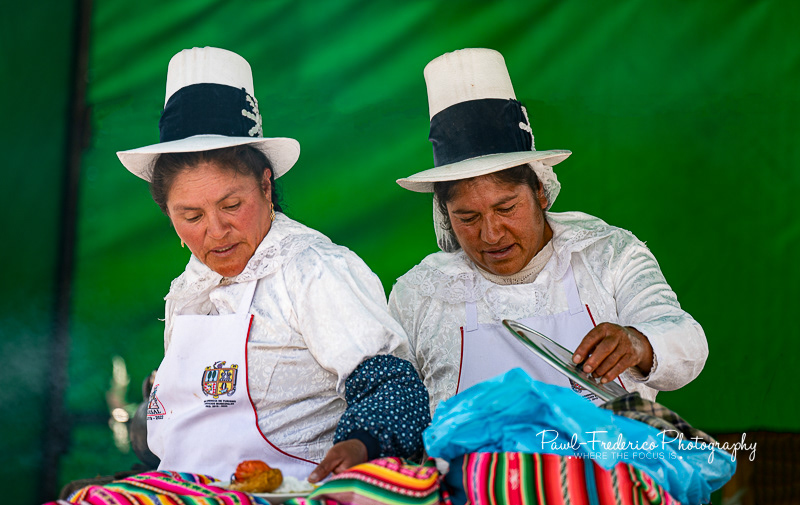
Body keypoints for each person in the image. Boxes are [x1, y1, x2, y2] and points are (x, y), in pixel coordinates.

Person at [116, 47, 429, 483]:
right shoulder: (189, 291)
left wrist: (361, 443)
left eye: (231, 204)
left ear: (266, 186)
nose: (216, 230)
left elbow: (391, 384)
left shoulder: (314, 270)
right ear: (168, 215)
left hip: (290, 489)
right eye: (191, 216)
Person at [389, 48, 707, 414]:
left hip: (603, 467)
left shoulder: (609, 255)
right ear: (445, 214)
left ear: (540, 190)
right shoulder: (419, 294)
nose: (491, 234)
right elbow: (393, 401)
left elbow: (687, 341)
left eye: (506, 208)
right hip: (476, 472)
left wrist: (639, 344)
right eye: (467, 218)